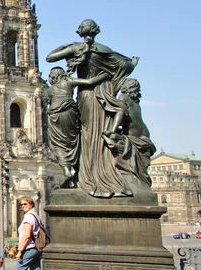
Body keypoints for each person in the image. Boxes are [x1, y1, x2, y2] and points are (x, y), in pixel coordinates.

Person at [46, 19, 139, 197]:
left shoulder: (76, 48)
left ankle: (87, 175)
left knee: (87, 136)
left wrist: (68, 46)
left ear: (80, 32)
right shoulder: (105, 50)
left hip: (86, 96)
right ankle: (103, 169)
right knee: (97, 133)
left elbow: (50, 57)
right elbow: (124, 66)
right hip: (102, 93)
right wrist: (126, 66)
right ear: (96, 31)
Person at [47, 66, 110, 187]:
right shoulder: (68, 81)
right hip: (70, 113)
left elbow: (49, 102)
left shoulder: (50, 90)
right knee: (72, 141)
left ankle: (67, 170)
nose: (49, 78)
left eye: (50, 75)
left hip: (55, 117)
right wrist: (105, 74)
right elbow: (90, 82)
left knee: (58, 144)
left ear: (54, 76)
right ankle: (74, 169)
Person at [14, 196, 41, 270]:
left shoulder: (28, 216)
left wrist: (20, 251)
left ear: (31, 204)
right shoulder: (35, 215)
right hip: (36, 248)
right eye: (21, 204)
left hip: (29, 248)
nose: (23, 206)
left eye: (25, 204)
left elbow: (27, 236)